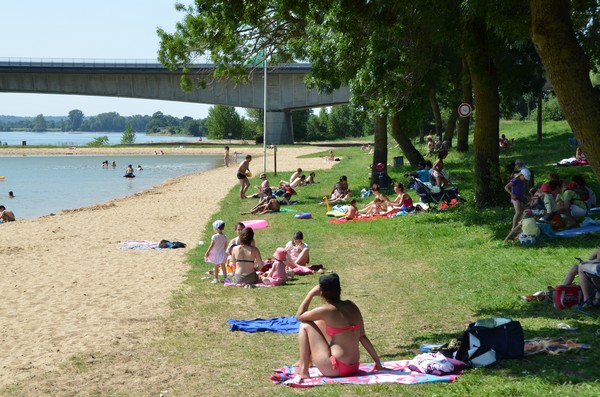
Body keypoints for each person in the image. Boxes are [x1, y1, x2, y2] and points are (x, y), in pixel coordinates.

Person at [294, 273, 384, 379]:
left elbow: (299, 316)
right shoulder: (351, 305)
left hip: (334, 368)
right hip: (353, 367)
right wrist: (378, 363)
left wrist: (310, 293)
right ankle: (307, 361)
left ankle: (304, 370)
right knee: (319, 323)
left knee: (305, 325)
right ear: (340, 289)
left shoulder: (326, 310)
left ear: (321, 293)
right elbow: (362, 336)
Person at [204, 220, 228, 284]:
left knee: (216, 266)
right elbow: (225, 246)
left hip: (216, 253)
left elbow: (211, 245)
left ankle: (216, 278)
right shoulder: (225, 237)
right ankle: (225, 277)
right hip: (222, 253)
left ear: (216, 228)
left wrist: (207, 252)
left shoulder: (214, 237)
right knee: (223, 266)